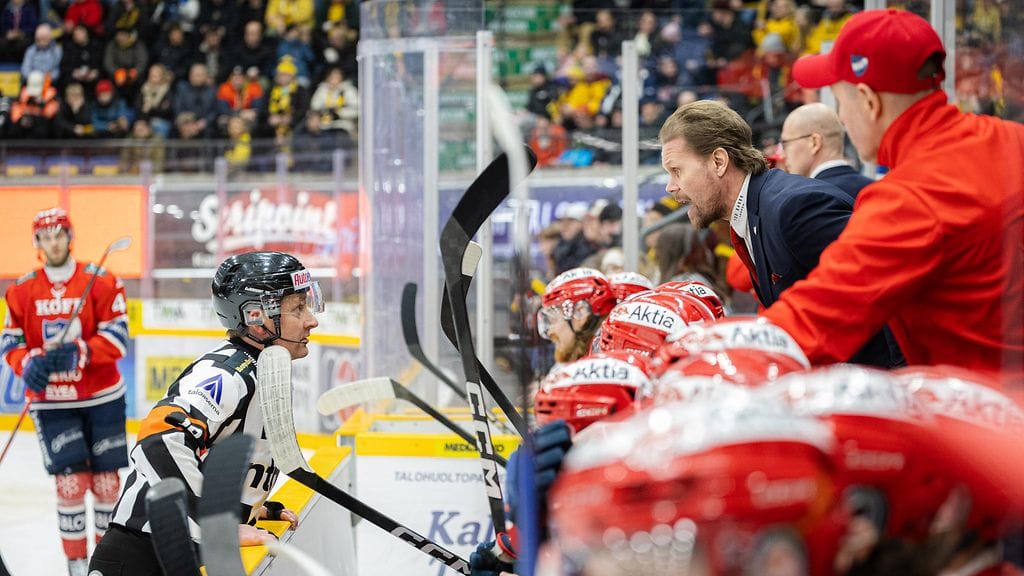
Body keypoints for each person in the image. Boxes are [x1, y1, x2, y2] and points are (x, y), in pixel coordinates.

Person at [763, 9, 1024, 377]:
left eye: (840, 101)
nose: (842, 118)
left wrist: (694, 353)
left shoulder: (908, 200)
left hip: (989, 417)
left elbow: (810, 323)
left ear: (869, 101)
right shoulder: (1012, 139)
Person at [89, 251, 321, 575]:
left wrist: (250, 506)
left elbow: (214, 458)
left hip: (175, 552)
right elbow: (158, 440)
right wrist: (217, 525)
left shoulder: (264, 369)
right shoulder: (228, 374)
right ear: (256, 317)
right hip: (141, 554)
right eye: (298, 308)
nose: (312, 319)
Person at [659, 99, 902, 368]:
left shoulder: (793, 208)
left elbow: (887, 292)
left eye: (677, 171)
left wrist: (896, 388)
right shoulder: (758, 208)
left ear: (718, 161)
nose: (671, 187)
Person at [1, 208, 129, 576]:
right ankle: (75, 567)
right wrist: (28, 365)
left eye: (59, 234)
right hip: (54, 404)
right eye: (46, 236)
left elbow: (118, 337)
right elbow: (11, 342)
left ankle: (108, 565)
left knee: (107, 485)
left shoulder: (101, 280)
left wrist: (80, 351)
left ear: (69, 236)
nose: (54, 242)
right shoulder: (22, 289)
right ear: (37, 243)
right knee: (71, 486)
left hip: (102, 398)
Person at [780, 102, 875, 198]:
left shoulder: (807, 198)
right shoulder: (875, 189)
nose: (783, 155)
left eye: (785, 144)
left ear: (814, 142)